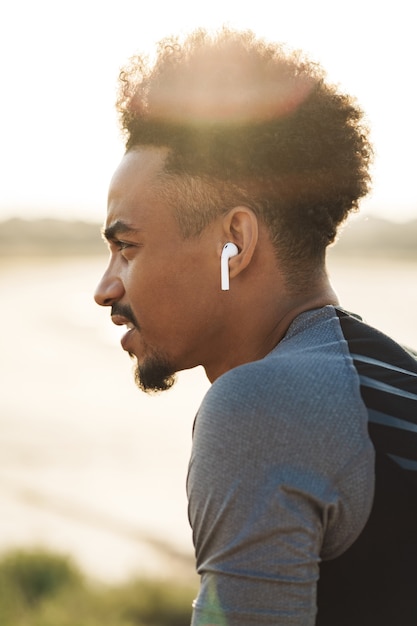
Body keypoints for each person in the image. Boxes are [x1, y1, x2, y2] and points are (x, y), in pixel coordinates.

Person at [94, 28, 417, 625]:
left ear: (234, 243)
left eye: (127, 247)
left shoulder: (258, 408)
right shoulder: (398, 373)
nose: (105, 287)